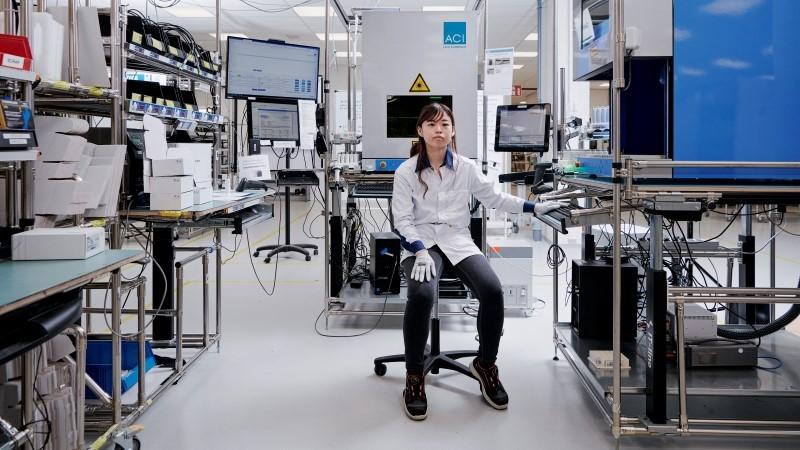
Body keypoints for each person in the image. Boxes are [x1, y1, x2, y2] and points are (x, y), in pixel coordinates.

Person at [392, 103, 561, 420]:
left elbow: (495, 197)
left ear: (453, 130)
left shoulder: (466, 168)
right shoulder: (405, 172)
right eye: (431, 125)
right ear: (420, 131)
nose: (438, 130)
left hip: (457, 241)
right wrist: (419, 249)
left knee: (493, 291)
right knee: (422, 294)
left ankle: (485, 364)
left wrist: (532, 208)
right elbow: (401, 220)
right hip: (421, 246)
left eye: (444, 124)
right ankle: (414, 375)